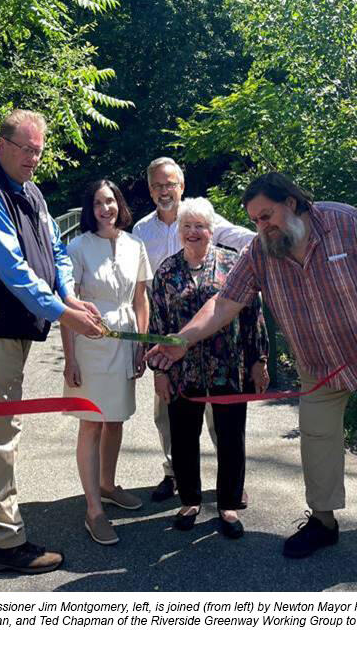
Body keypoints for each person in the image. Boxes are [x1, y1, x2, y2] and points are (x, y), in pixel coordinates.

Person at [148, 172, 357, 570]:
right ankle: (322, 522)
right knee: (317, 439)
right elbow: (224, 303)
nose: (262, 226)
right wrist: (181, 339)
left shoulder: (348, 224)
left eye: (267, 215)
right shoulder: (260, 252)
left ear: (291, 202)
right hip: (320, 362)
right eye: (255, 220)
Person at [0, 109, 104, 575]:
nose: (35, 157)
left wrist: (68, 294)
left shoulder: (30, 193)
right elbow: (12, 270)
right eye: (27, 148)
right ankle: (5, 543)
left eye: (40, 149)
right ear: (2, 145)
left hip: (6, 327)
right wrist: (66, 315)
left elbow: (54, 251)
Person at [132, 157, 256, 503]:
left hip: (214, 342)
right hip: (168, 340)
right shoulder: (142, 230)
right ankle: (175, 474)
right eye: (156, 185)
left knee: (222, 418)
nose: (163, 191)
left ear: (181, 186)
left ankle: (230, 482)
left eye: (169, 184)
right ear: (150, 190)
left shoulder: (205, 218)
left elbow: (247, 240)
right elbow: (143, 291)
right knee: (168, 415)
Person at [149, 198, 269, 538]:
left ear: (212, 230)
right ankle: (189, 500)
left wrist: (259, 360)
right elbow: (158, 323)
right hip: (181, 371)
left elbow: (252, 316)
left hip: (228, 368)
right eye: (186, 226)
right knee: (184, 437)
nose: (193, 232)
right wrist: (159, 372)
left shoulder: (233, 265)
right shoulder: (167, 271)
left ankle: (228, 504)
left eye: (199, 226)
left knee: (231, 436)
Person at [61, 179, 152, 546]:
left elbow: (141, 299)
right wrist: (70, 358)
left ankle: (108, 483)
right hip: (90, 344)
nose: (106, 208)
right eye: (98, 202)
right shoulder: (78, 246)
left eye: (111, 201)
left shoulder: (135, 245)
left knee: (115, 419)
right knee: (92, 425)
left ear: (120, 204)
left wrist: (141, 345)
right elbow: (68, 304)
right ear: (90, 208)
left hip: (126, 340)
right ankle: (94, 510)